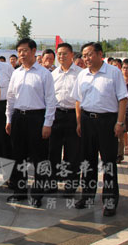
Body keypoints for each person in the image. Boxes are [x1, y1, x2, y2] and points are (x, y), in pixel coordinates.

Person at [71, 42, 128, 217]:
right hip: (87, 121)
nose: (86, 58)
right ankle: (87, 196)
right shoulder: (82, 75)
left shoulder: (113, 73)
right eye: (84, 55)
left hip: (107, 122)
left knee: (109, 162)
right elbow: (78, 101)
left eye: (89, 54)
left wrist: (119, 123)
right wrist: (79, 122)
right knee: (88, 161)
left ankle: (110, 201)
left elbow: (123, 98)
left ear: (100, 54)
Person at [5, 38, 57, 208]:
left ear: (34, 51)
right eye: (19, 51)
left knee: (39, 158)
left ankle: (37, 194)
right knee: (18, 156)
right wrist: (9, 118)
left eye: (25, 50)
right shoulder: (16, 73)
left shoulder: (44, 74)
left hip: (37, 118)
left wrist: (47, 123)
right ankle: (19, 191)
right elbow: (10, 98)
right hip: (18, 118)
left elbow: (51, 100)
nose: (21, 54)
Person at [48, 43, 82, 197]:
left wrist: (80, 121)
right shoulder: (53, 74)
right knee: (53, 152)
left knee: (72, 153)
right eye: (59, 54)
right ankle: (52, 183)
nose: (62, 57)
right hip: (56, 115)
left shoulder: (80, 74)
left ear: (72, 54)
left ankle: (71, 185)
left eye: (65, 54)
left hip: (73, 116)